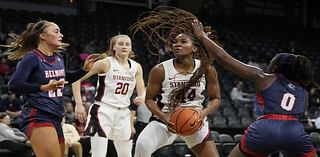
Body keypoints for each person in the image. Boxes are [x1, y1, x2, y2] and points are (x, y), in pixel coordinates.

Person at [191, 18, 318, 157]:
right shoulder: (303, 92)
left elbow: (224, 58)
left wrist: (202, 36)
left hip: (265, 129)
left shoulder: (263, 77)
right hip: (294, 131)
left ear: (276, 66)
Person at [130, 6, 221, 157]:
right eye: (175, 42)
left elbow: (216, 99)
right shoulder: (160, 69)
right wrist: (164, 117)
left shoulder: (207, 69)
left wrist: (203, 113)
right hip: (164, 120)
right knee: (141, 147)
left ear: (194, 48)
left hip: (194, 120)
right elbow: (149, 99)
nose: (176, 44)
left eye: (183, 41)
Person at [5, 20, 100, 157]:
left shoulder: (58, 57)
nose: (61, 35)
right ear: (43, 36)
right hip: (38, 115)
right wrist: (42, 87)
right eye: (56, 31)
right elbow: (13, 85)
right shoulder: (32, 58)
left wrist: (83, 70)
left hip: (55, 117)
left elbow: (66, 77)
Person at [72, 34, 145, 157]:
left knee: (126, 154)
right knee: (99, 154)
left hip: (123, 113)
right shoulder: (105, 63)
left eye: (127, 44)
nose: (124, 46)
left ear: (131, 48)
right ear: (114, 47)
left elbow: (141, 88)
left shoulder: (136, 67)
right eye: (120, 44)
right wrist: (79, 104)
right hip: (102, 111)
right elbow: (76, 79)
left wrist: (141, 96)